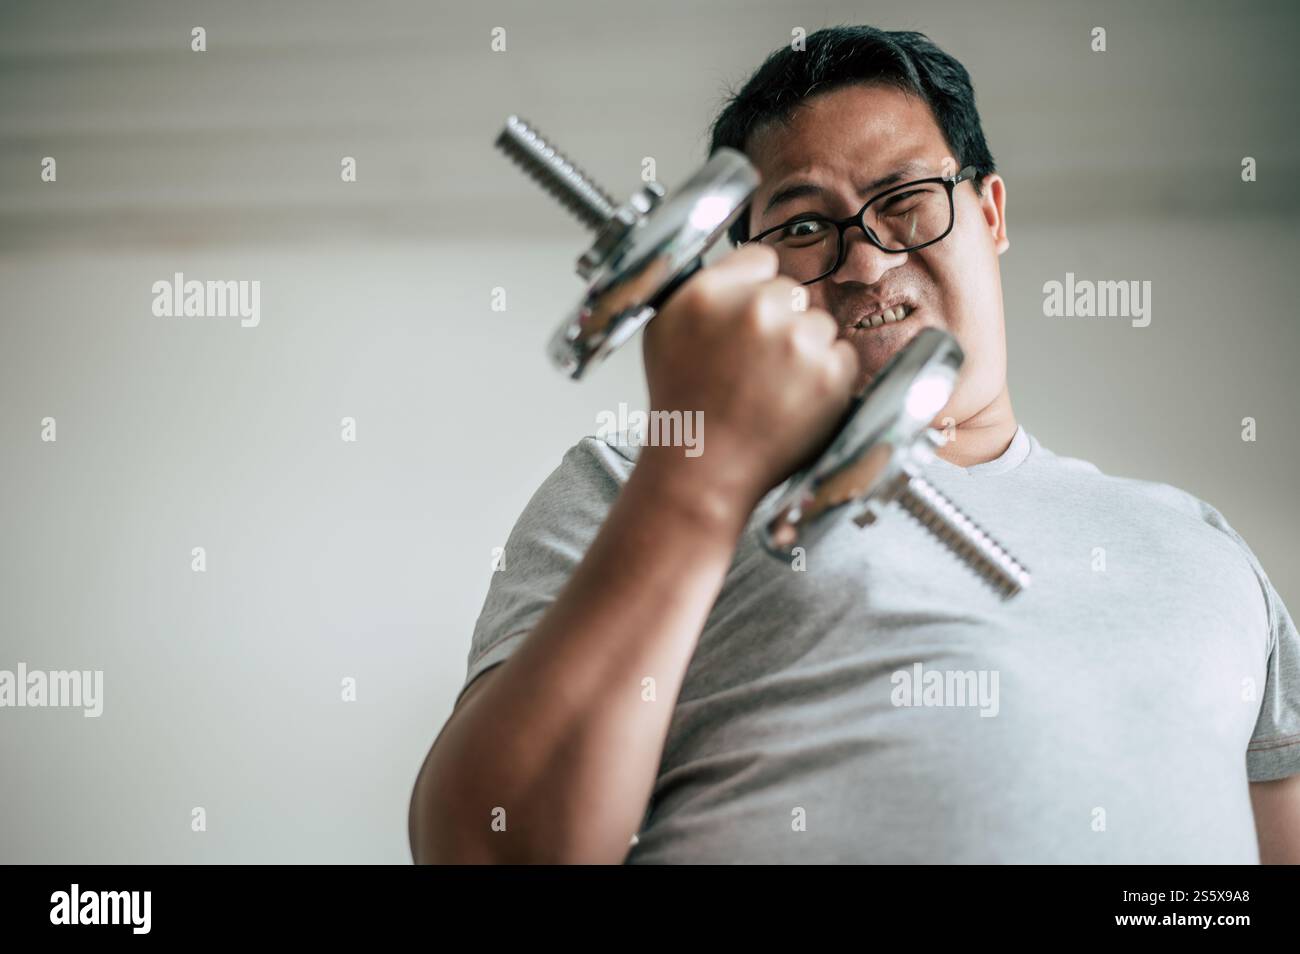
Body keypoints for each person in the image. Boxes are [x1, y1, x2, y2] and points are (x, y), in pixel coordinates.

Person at [409, 25, 1300, 863]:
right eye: (802, 226)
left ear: (989, 211)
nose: (866, 263)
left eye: (906, 201)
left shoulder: (1196, 541)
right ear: (745, 266)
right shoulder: (631, 485)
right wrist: (708, 474)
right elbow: (490, 846)